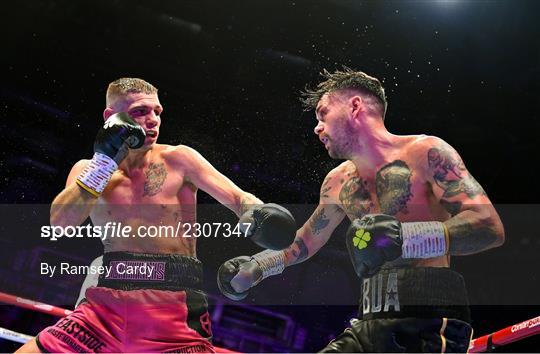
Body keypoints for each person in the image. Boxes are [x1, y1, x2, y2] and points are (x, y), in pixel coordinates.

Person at [217, 68, 505, 352]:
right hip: (369, 319)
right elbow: (305, 241)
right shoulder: (338, 182)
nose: (317, 127)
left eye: (323, 114)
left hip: (428, 318)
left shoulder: (426, 153)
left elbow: (488, 226)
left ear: (354, 106)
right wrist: (257, 267)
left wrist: (403, 238)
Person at [16, 78, 296, 353]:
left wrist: (257, 213)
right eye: (140, 111)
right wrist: (104, 164)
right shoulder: (88, 170)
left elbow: (239, 198)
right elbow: (61, 224)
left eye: (157, 111)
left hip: (172, 309)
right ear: (111, 117)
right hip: (103, 309)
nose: (153, 120)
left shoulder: (179, 158)